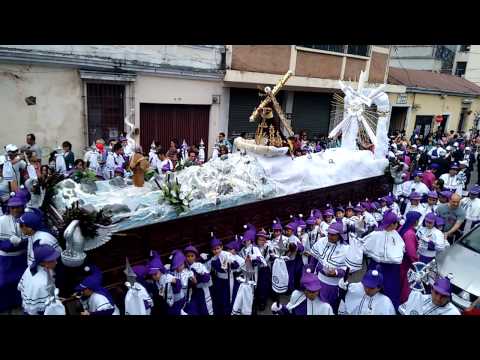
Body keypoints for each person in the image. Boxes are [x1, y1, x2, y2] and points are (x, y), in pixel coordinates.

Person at [363, 211, 404, 310]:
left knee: (389, 291)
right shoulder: (376, 234)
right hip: (378, 267)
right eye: (396, 223)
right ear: (393, 224)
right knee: (372, 289)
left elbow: (401, 248)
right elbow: (364, 246)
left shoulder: (395, 234)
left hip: (392, 270)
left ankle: (387, 309)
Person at [309, 221, 348, 311]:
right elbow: (314, 259)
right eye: (329, 233)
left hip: (333, 286)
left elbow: (346, 270)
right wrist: (310, 274)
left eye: (333, 234)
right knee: (317, 305)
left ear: (339, 235)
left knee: (330, 307)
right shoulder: (322, 241)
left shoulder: (346, 249)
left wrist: (336, 272)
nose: (330, 236)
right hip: (318, 281)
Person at [0, 194, 28, 312]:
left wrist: (21, 242)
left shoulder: (27, 219)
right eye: (13, 207)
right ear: (9, 208)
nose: (16, 210)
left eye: (18, 207)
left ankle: (19, 302)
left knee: (22, 282)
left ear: (23, 207)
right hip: (5, 259)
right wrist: (8, 244)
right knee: (3, 283)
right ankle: (5, 305)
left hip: (21, 258)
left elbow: (32, 238)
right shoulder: (1, 221)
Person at [17, 244, 60, 315]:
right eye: (52, 260)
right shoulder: (41, 283)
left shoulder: (32, 267)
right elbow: (43, 308)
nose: (56, 262)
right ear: (43, 262)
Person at [183, 245, 214, 315]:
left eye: (192, 256)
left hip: (202, 291)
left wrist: (198, 278)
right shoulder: (184, 268)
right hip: (192, 294)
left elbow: (207, 278)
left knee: (205, 309)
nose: (190, 258)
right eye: (188, 256)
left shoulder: (199, 265)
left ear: (195, 257)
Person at [398, 211, 422, 304]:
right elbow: (411, 252)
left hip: (400, 260)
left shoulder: (401, 228)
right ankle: (404, 302)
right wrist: (417, 264)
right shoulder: (410, 234)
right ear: (415, 221)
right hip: (406, 263)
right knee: (406, 284)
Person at [166, 250, 194, 315]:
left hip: (187, 299)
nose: (179, 268)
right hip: (176, 301)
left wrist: (193, 277)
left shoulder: (188, 272)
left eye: (181, 265)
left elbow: (194, 283)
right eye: (177, 266)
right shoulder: (171, 274)